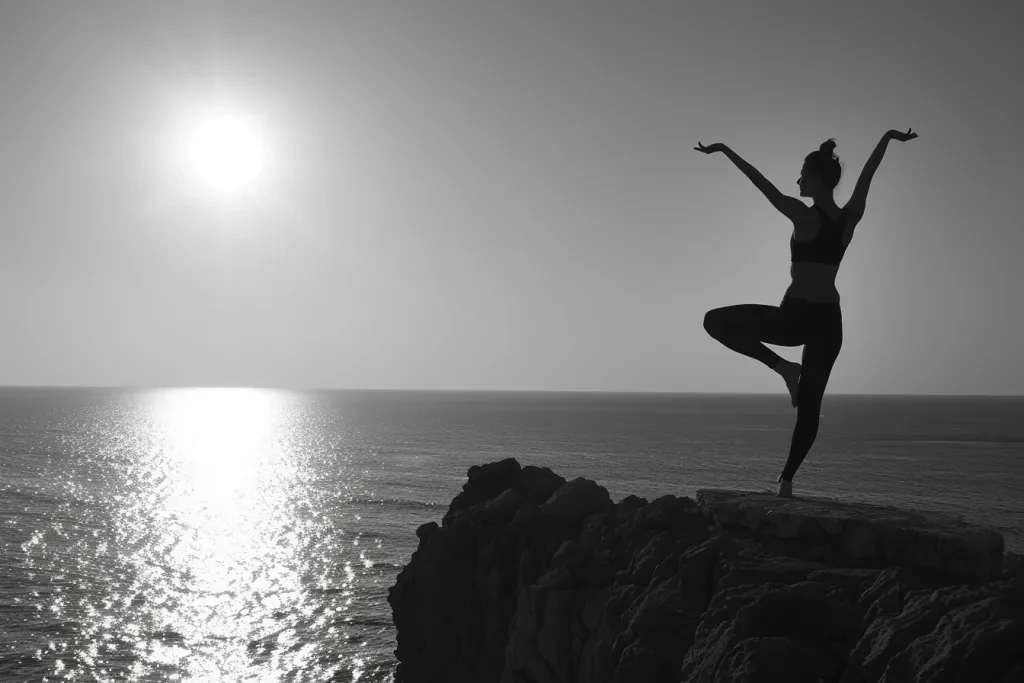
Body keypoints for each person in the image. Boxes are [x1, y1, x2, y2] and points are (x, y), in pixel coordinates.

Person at [696, 128, 918, 498]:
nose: (797, 180)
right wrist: (887, 138)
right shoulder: (850, 217)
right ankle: (786, 480)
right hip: (829, 322)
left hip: (795, 318)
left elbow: (760, 183)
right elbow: (869, 173)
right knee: (810, 406)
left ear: (816, 180)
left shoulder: (803, 215)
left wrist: (724, 150)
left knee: (714, 321)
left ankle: (783, 370)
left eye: (802, 175)